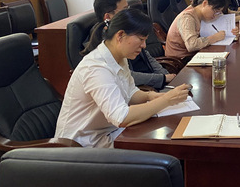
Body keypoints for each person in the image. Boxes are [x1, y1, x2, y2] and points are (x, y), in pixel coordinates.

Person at [55, 8, 191, 148]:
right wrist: (166, 100)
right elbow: (121, 117)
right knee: (161, 145)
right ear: (120, 35)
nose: (144, 46)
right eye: (141, 39)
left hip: (108, 133)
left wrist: (150, 96)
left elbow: (130, 93)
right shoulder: (96, 68)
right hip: (82, 146)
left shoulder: (119, 57)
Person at [83, 0, 174, 90]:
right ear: (108, 16)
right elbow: (126, 76)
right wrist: (162, 78)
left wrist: (166, 76)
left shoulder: (129, 32)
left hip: (149, 85)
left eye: (128, 8)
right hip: (142, 87)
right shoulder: (106, 43)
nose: (128, 12)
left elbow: (147, 56)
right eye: (124, 9)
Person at [165, 0, 234, 59]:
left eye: (218, 12)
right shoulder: (187, 18)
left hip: (193, 54)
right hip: (180, 60)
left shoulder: (200, 14)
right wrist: (214, 38)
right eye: (215, 11)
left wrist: (231, 31)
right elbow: (192, 45)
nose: (215, 15)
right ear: (205, 3)